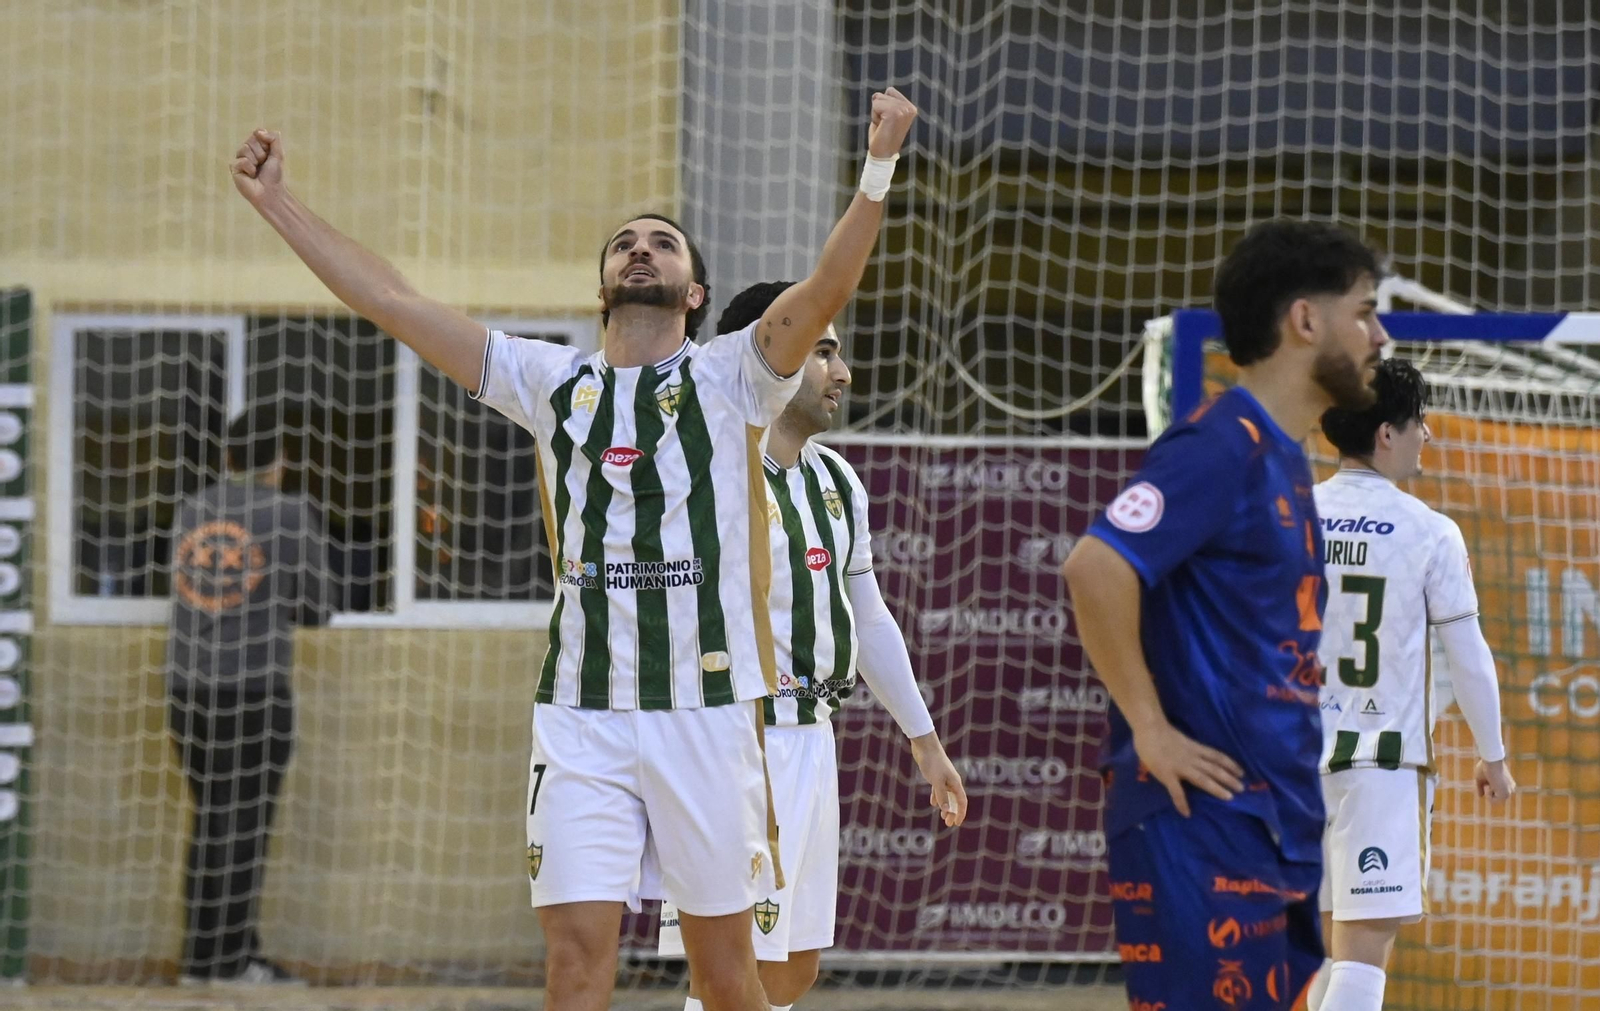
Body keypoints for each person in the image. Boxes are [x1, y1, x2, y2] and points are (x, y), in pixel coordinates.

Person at [231, 86, 919, 1011]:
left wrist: (877, 165)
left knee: (727, 980)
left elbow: (828, 286)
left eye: (663, 242)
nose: (642, 248)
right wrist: (278, 202)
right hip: (581, 713)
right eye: (625, 243)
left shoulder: (735, 375)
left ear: (695, 291)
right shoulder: (547, 379)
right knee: (576, 961)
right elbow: (391, 299)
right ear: (602, 287)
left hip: (706, 709)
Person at [1061, 219, 1388, 1010]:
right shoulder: (1222, 443)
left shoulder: (1281, 454)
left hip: (1268, 821)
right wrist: (1151, 728)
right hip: (1200, 823)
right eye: (1366, 311)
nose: (1380, 335)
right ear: (1304, 320)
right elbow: (1096, 566)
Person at [654, 283, 969, 1011]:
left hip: (813, 736)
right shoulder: (705, 467)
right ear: (774, 353)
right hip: (735, 736)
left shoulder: (835, 479)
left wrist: (923, 738)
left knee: (793, 969)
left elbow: (867, 610)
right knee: (730, 972)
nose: (843, 371)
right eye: (823, 350)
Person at [1305, 358, 1515, 1011]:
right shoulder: (1428, 530)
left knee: (1321, 956)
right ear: (1387, 433)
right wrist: (1495, 756)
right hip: (1380, 766)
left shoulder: (1293, 515)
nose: (1428, 434)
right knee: (1363, 955)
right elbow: (1470, 656)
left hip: (1290, 764)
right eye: (1419, 420)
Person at [168, 403, 330, 984]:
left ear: (228, 456)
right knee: (244, 826)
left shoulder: (191, 509)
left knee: (213, 819)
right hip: (254, 690)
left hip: (185, 692)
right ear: (279, 461)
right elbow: (317, 609)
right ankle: (226, 962)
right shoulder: (289, 514)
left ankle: (207, 958)